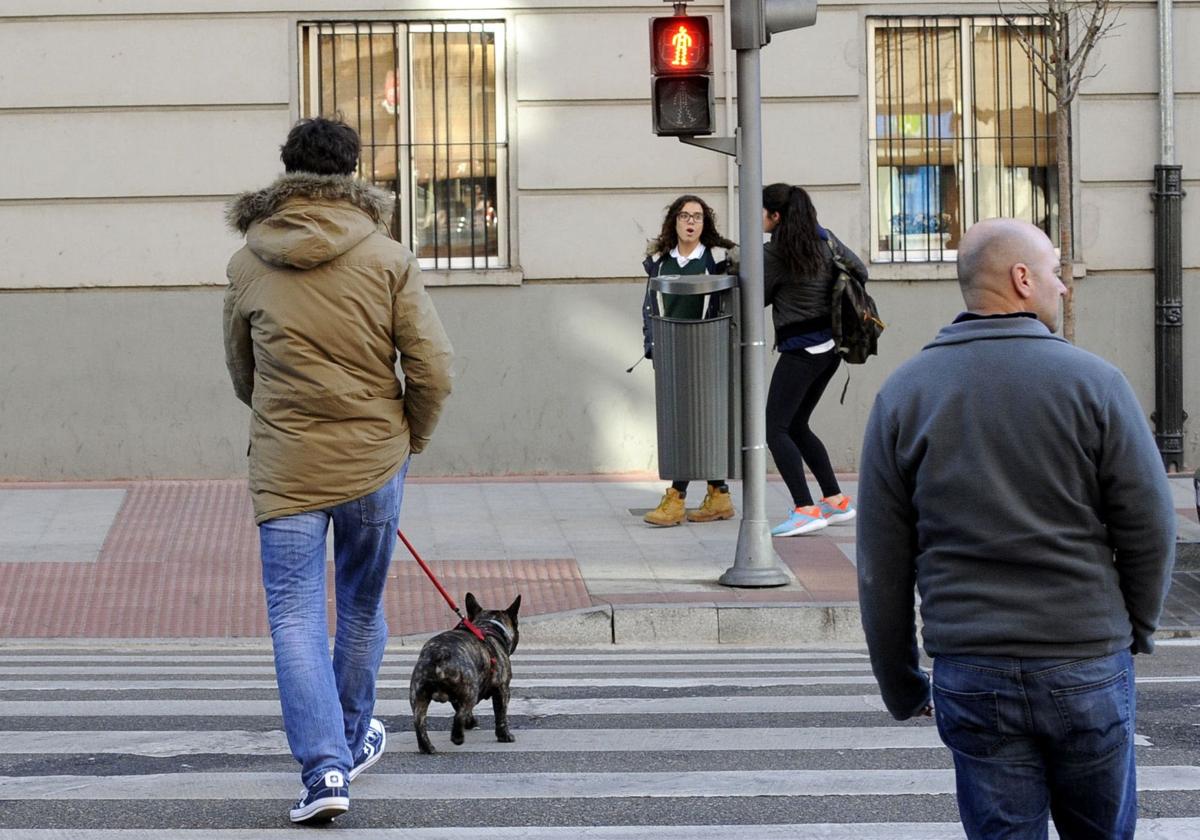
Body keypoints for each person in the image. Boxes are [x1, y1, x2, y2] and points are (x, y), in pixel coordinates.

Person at [856, 218, 1176, 839]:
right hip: (1085, 653)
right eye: (1057, 271)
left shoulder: (904, 395)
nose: (1066, 286)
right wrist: (1132, 627)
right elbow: (1150, 527)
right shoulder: (1096, 384)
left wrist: (900, 683)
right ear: (1022, 279)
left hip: (972, 665)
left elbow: (881, 564)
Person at [223, 117, 453, 824]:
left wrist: (282, 418)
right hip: (372, 459)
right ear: (354, 172)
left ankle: (325, 770)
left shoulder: (248, 262)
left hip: (288, 465)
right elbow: (433, 369)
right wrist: (407, 435)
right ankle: (350, 744)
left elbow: (242, 374)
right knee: (360, 606)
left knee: (294, 617)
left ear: (286, 172)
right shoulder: (386, 257)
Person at [761, 183, 864, 537]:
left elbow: (755, 297)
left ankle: (805, 508)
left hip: (801, 351)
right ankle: (835, 500)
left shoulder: (776, 253)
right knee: (797, 424)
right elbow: (860, 270)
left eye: (762, 211)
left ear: (775, 216)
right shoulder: (826, 239)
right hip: (832, 350)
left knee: (774, 429)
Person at [640, 195, 737, 527]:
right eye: (684, 216)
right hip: (671, 352)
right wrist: (651, 344)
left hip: (706, 352)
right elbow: (649, 306)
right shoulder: (660, 262)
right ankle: (719, 494)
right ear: (674, 223)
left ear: (705, 223)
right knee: (685, 422)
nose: (690, 222)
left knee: (697, 422)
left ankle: (676, 498)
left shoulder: (716, 260)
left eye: (697, 216)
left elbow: (727, 303)